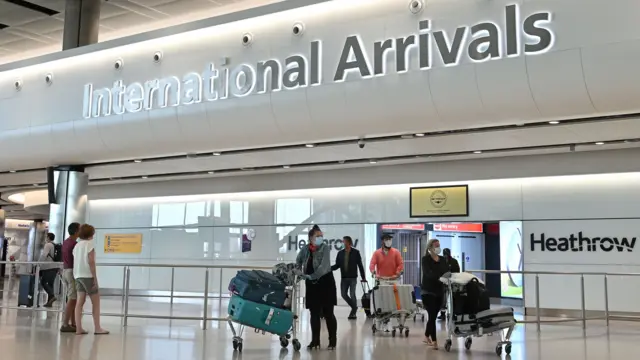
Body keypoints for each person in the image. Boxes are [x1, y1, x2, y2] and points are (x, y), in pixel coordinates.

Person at [296, 226, 337, 350]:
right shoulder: (305, 249)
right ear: (310, 238)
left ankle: (332, 341)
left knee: (328, 313)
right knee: (314, 313)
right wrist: (298, 272)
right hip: (312, 285)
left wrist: (310, 276)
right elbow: (298, 260)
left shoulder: (325, 248)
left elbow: (324, 267)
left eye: (321, 236)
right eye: (317, 236)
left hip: (326, 283)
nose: (320, 238)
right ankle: (315, 341)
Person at [73, 224, 108, 335]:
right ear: (90, 234)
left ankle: (79, 328)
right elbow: (91, 261)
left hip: (77, 275)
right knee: (96, 302)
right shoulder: (89, 244)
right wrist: (95, 277)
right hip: (88, 276)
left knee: (79, 302)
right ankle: (97, 328)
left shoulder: (77, 246)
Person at [421, 239, 450, 349]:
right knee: (432, 315)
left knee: (433, 315)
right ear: (430, 248)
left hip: (439, 291)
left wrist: (442, 277)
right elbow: (428, 274)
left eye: (439, 245)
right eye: (436, 245)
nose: (438, 247)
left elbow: (446, 272)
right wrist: (440, 276)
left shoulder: (442, 260)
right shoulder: (425, 260)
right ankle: (434, 341)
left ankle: (426, 335)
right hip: (428, 291)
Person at [331, 236, 366, 320]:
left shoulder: (356, 252)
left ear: (349, 243)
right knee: (343, 294)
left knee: (352, 294)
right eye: (343, 242)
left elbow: (360, 265)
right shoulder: (340, 253)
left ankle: (353, 312)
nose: (343, 243)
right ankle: (354, 307)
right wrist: (329, 268)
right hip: (344, 278)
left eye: (344, 242)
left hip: (353, 277)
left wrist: (363, 277)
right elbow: (337, 265)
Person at [60, 222, 80, 333]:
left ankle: (73, 323)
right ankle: (65, 324)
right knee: (72, 299)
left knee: (73, 298)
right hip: (72, 272)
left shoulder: (66, 242)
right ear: (76, 231)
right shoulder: (74, 244)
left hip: (65, 271)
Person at [438, 248, 460, 320]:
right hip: (444, 283)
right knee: (443, 299)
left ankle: (454, 314)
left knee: (453, 299)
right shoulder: (441, 261)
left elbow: (457, 272)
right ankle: (443, 314)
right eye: (444, 255)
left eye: (446, 255)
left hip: (452, 282)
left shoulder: (454, 261)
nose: (445, 256)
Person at [38, 232, 58, 307]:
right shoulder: (55, 245)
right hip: (55, 267)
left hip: (48, 267)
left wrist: (38, 264)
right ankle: (49, 303)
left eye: (46, 237)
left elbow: (44, 255)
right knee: (50, 284)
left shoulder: (48, 245)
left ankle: (52, 295)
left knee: (43, 282)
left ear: (49, 237)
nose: (46, 238)